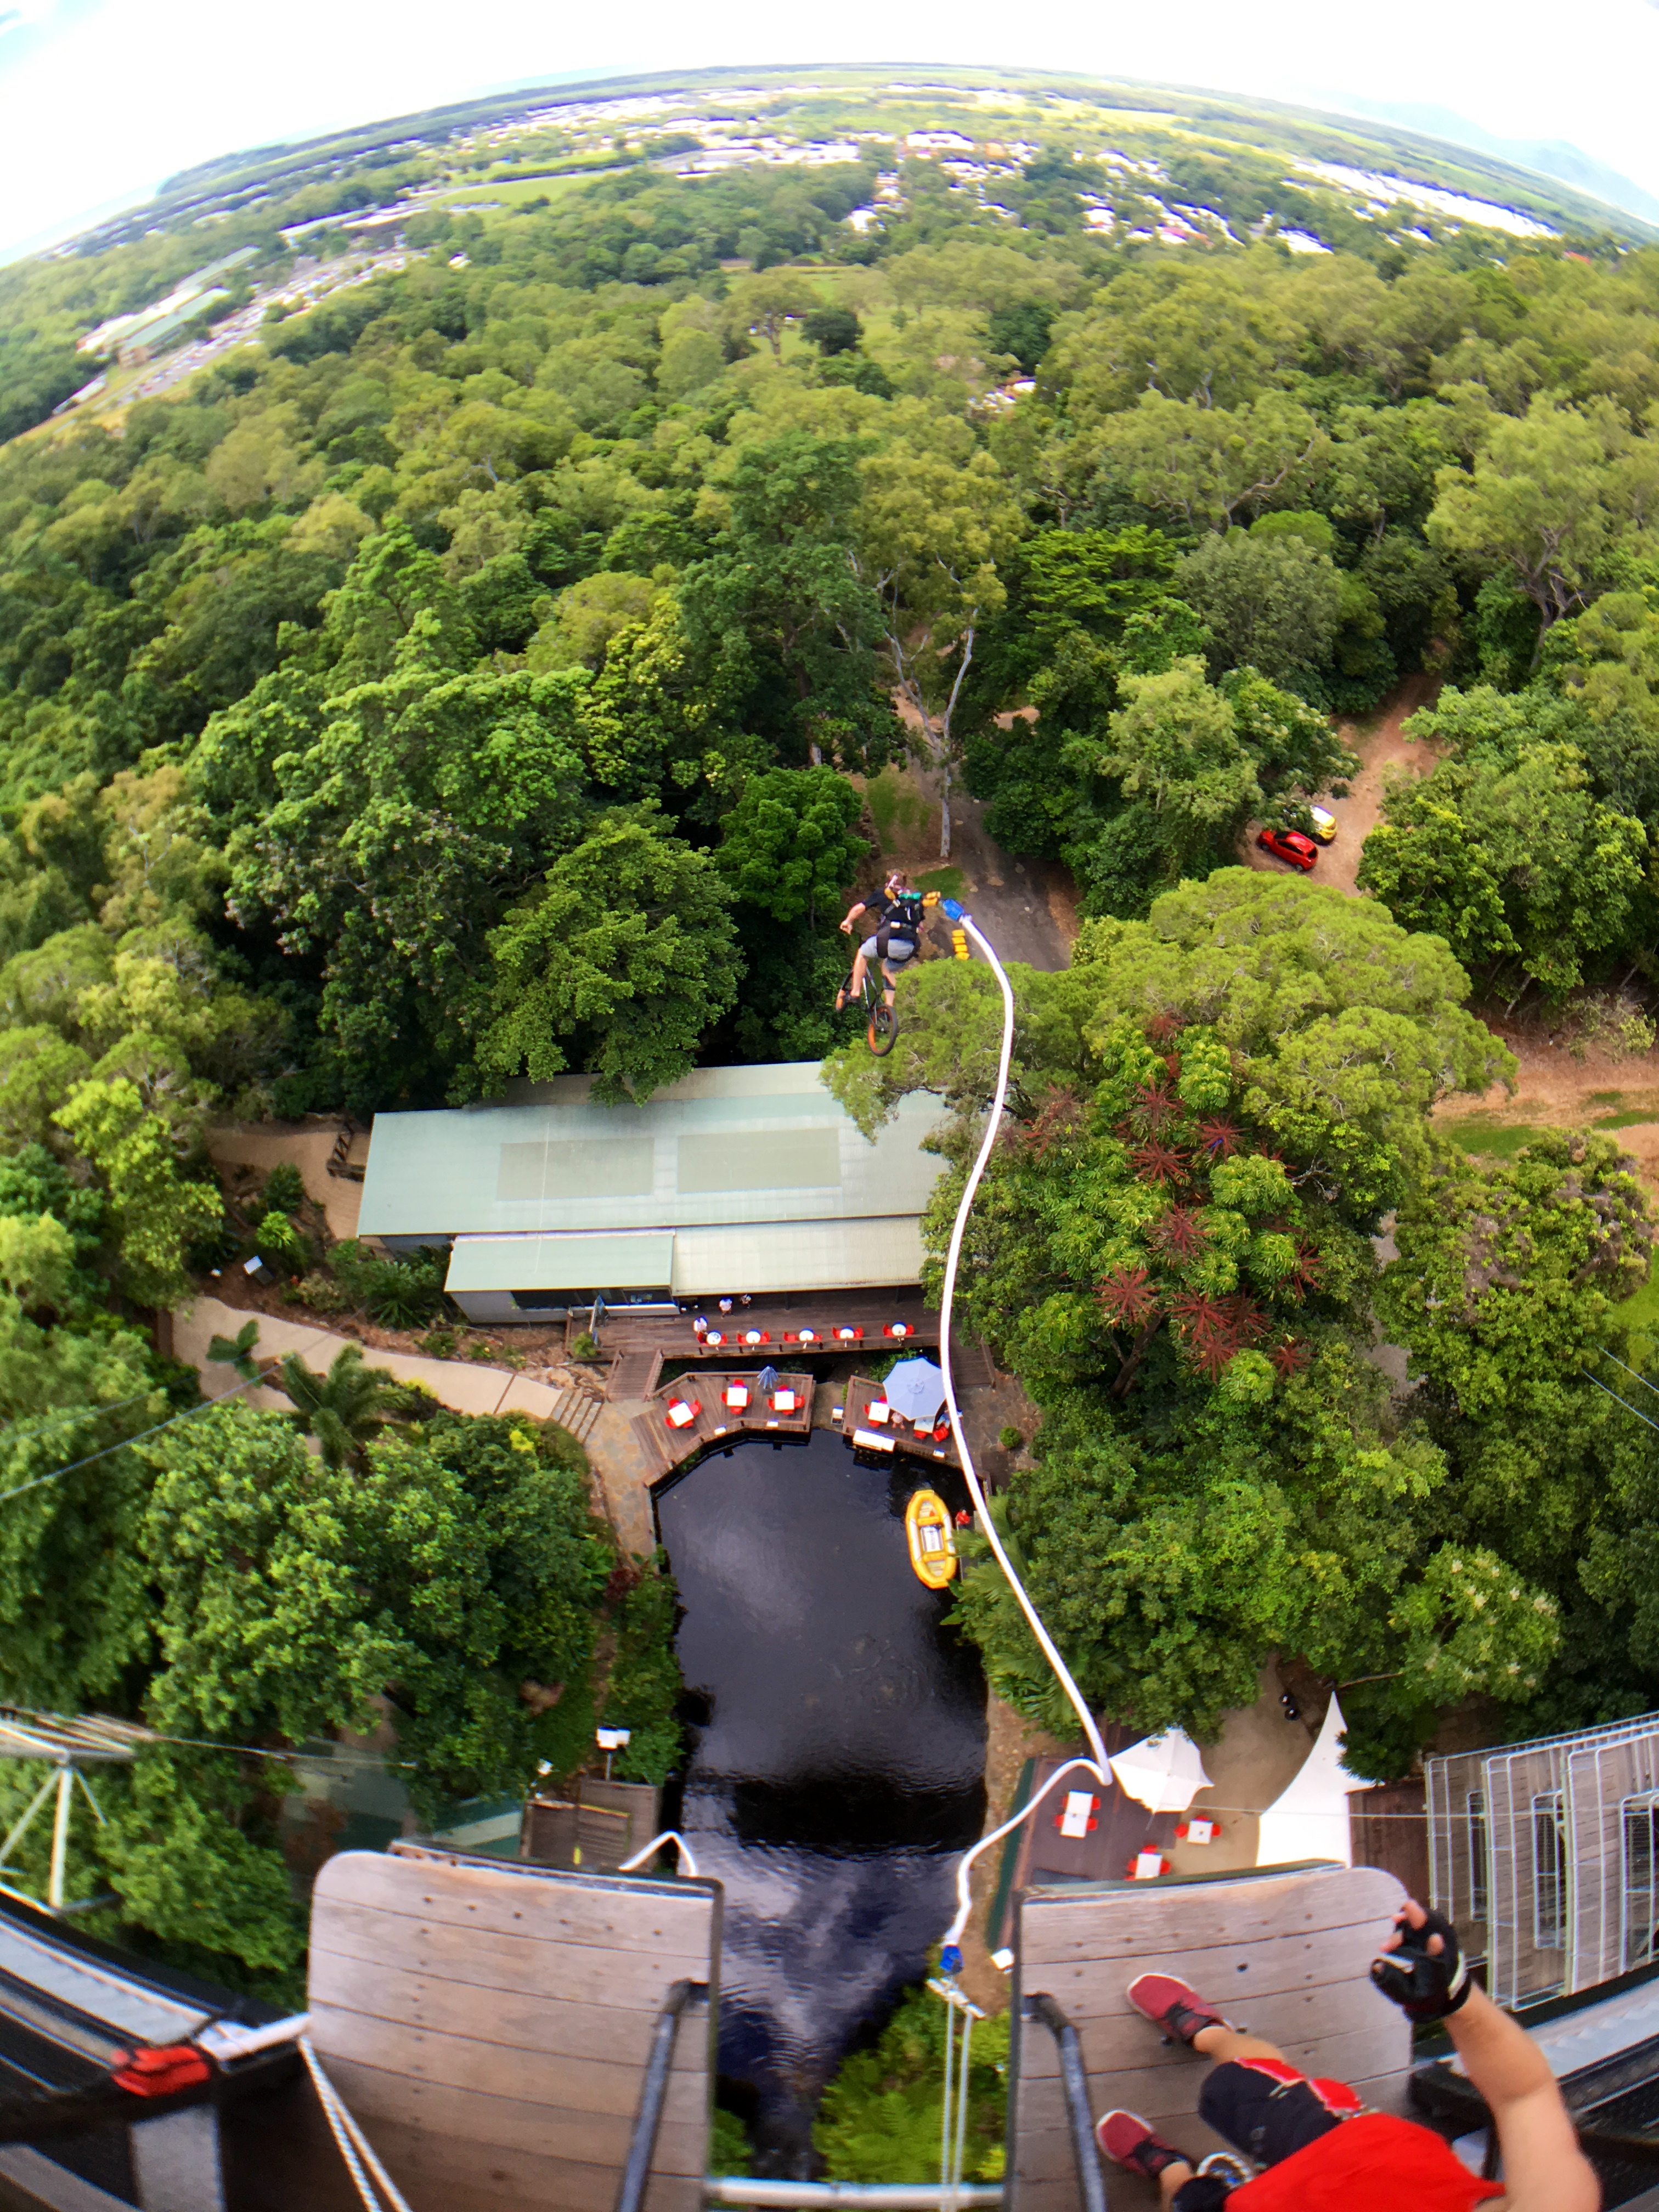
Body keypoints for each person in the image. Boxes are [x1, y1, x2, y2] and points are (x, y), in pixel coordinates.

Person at [1095, 1898, 1599, 2211]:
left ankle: (1170, 2169)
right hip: (1343, 2153)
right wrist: (1456, 2000)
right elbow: (1526, 2099)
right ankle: (1208, 2033)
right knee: (1243, 2077)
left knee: (1185, 2200)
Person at [837, 872, 928, 1012]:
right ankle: (888, 1009)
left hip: (889, 942)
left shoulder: (882, 894)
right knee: (887, 968)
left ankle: (855, 993)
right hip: (911, 947)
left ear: (887, 883)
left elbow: (858, 909)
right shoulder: (915, 900)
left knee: (862, 954)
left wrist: (848, 921)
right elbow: (921, 926)